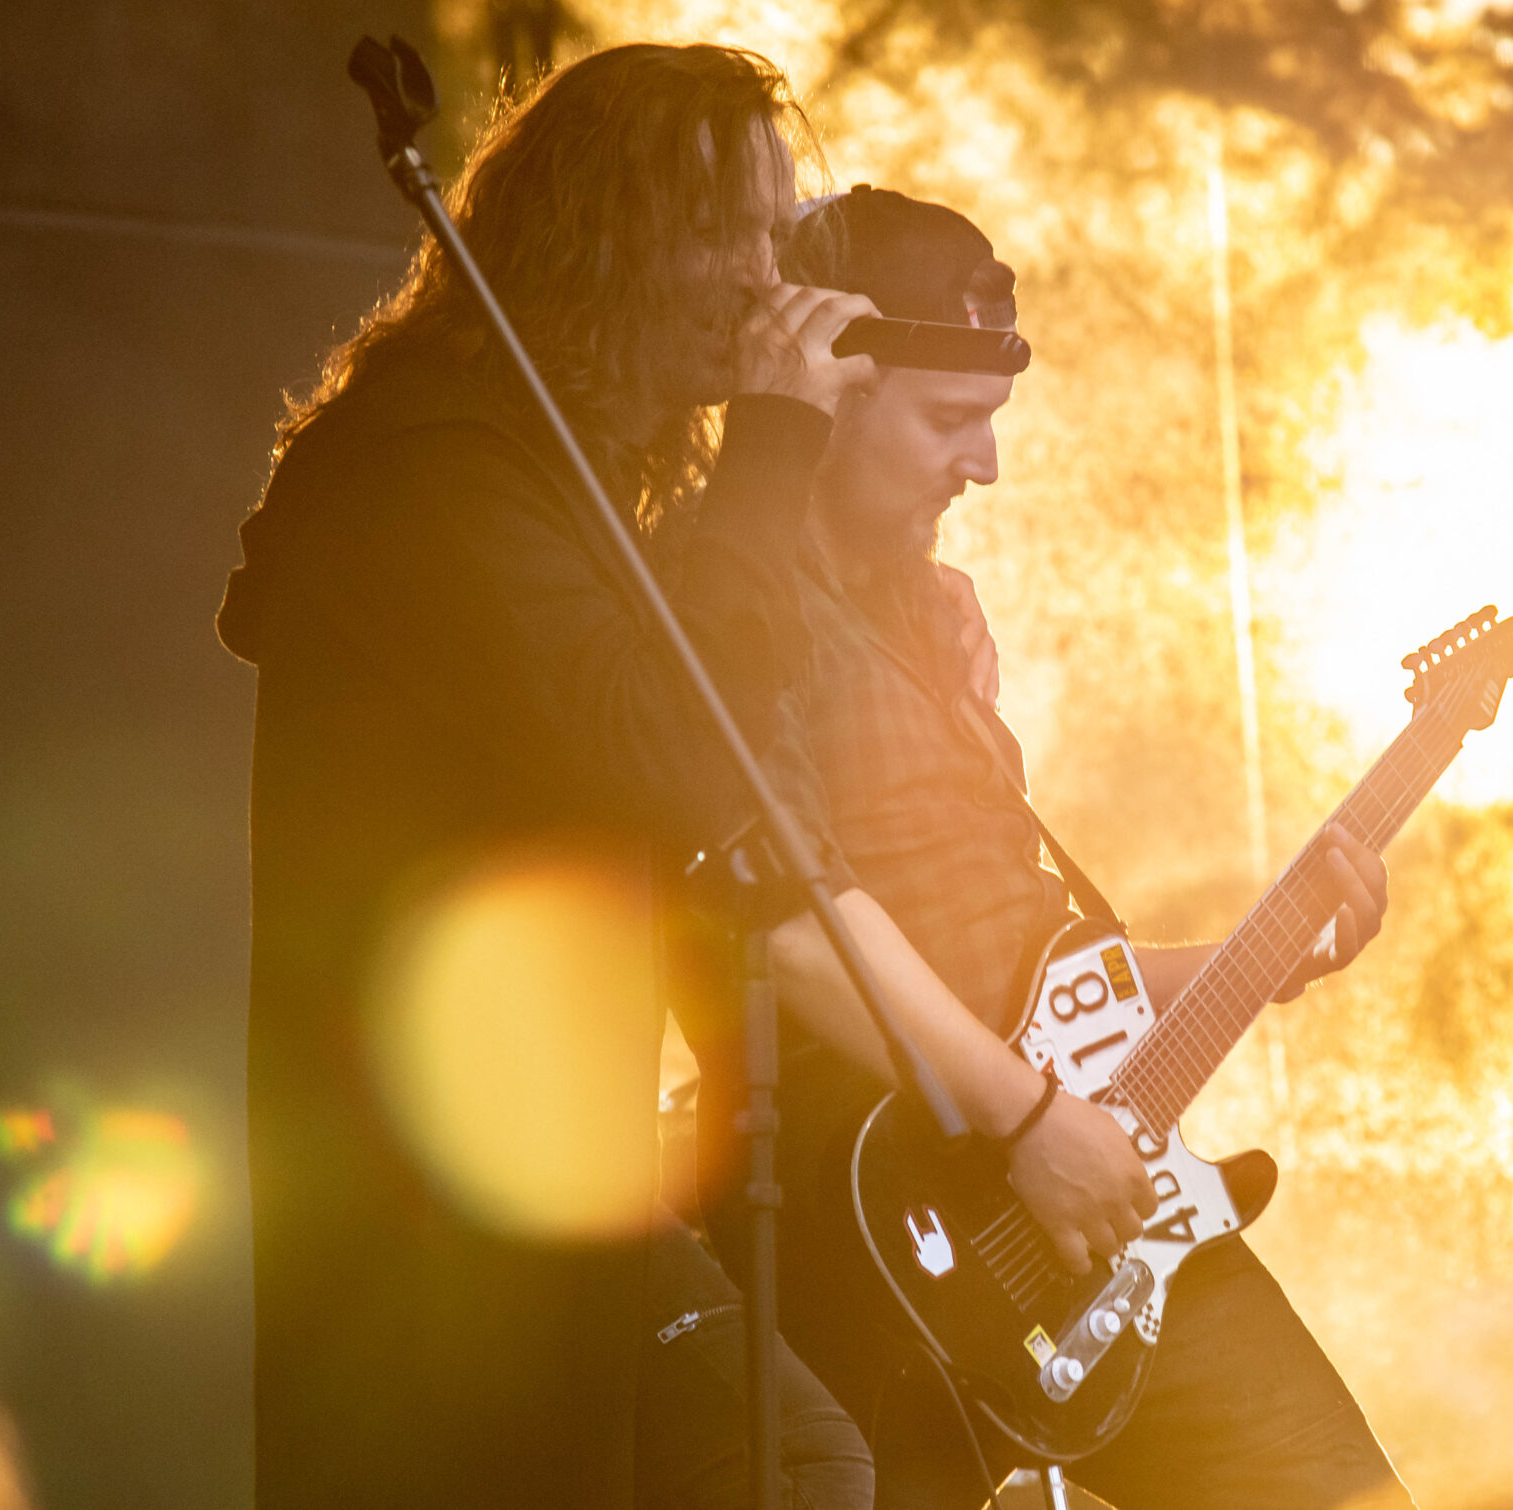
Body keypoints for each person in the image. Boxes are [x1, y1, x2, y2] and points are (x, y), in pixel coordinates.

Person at [214, 45, 1136, 1510]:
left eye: (775, 231)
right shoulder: (435, 470)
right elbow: (668, 751)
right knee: (788, 1465)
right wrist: (772, 443)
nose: (767, 275)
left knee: (786, 1461)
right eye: (729, 234)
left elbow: (729, 765)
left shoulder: (574, 469)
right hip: (425, 1188)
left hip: (543, 1153)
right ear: (611, 237)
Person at [687, 185, 1415, 1510]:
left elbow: (1029, 966)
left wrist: (1264, 957)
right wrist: (1024, 1120)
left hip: (1084, 1194)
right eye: (948, 421)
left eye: (993, 421)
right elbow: (784, 923)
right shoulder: (733, 616)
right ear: (831, 392)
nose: (985, 466)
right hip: (900, 1228)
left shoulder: (935, 613)